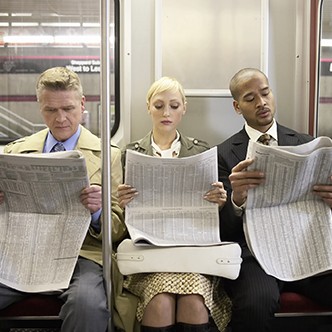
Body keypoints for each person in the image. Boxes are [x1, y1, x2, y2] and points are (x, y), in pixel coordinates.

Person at [0, 66, 127, 332]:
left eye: (68, 109)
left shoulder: (108, 155)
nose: (60, 119)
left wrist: (97, 211)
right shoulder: (17, 151)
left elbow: (118, 229)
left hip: (81, 255)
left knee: (88, 305)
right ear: (40, 107)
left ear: (82, 105)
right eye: (51, 110)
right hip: (25, 252)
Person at [217, 67, 332, 332]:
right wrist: (237, 198)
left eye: (266, 93)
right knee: (255, 303)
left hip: (306, 247)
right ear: (237, 107)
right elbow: (224, 231)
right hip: (256, 254)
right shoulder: (223, 154)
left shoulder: (308, 144)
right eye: (250, 98)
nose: (262, 103)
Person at [117, 76, 231, 332]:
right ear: (148, 107)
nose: (166, 112)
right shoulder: (131, 154)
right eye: (159, 106)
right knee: (159, 302)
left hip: (192, 254)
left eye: (174, 106)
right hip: (150, 256)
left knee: (193, 301)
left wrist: (219, 203)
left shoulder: (201, 151)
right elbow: (124, 221)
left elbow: (210, 213)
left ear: (184, 108)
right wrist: (124, 204)